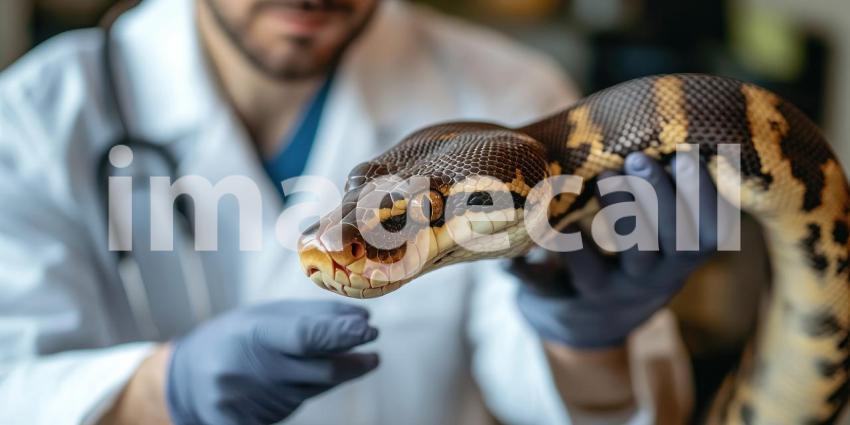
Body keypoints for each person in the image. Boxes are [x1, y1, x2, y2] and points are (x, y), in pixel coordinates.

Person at [0, 0, 718, 424]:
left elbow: (581, 405)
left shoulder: (508, 97)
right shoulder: (36, 116)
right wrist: (166, 388)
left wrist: (584, 336)